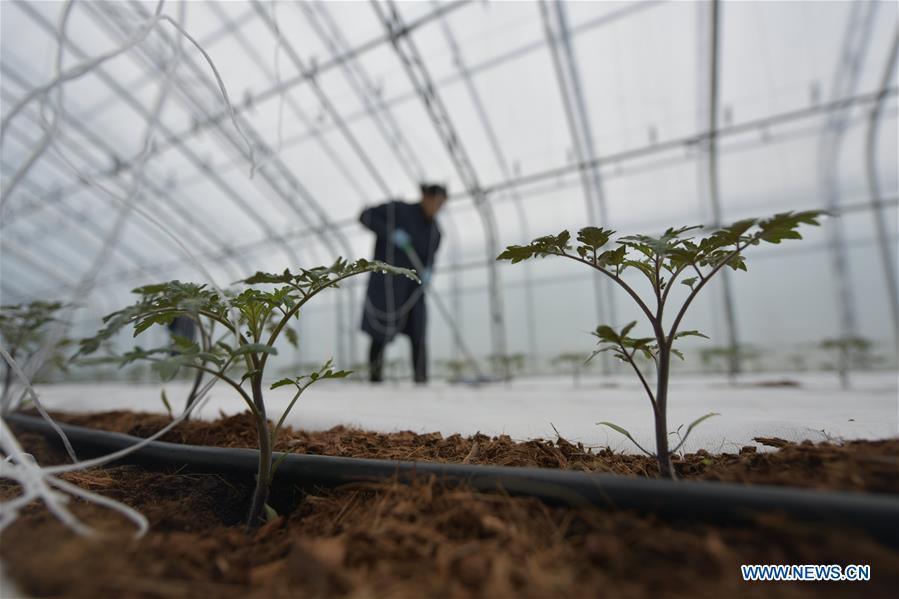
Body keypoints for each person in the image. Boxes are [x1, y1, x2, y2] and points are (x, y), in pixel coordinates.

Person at [360, 184, 447, 383]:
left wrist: (429, 271)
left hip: (414, 290)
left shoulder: (435, 232)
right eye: (436, 202)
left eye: (442, 204)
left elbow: (431, 258)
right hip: (387, 286)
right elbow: (365, 216)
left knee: (418, 333)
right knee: (380, 334)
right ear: (425, 197)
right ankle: (375, 380)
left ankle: (421, 380)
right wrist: (390, 233)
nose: (437, 208)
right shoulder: (398, 210)